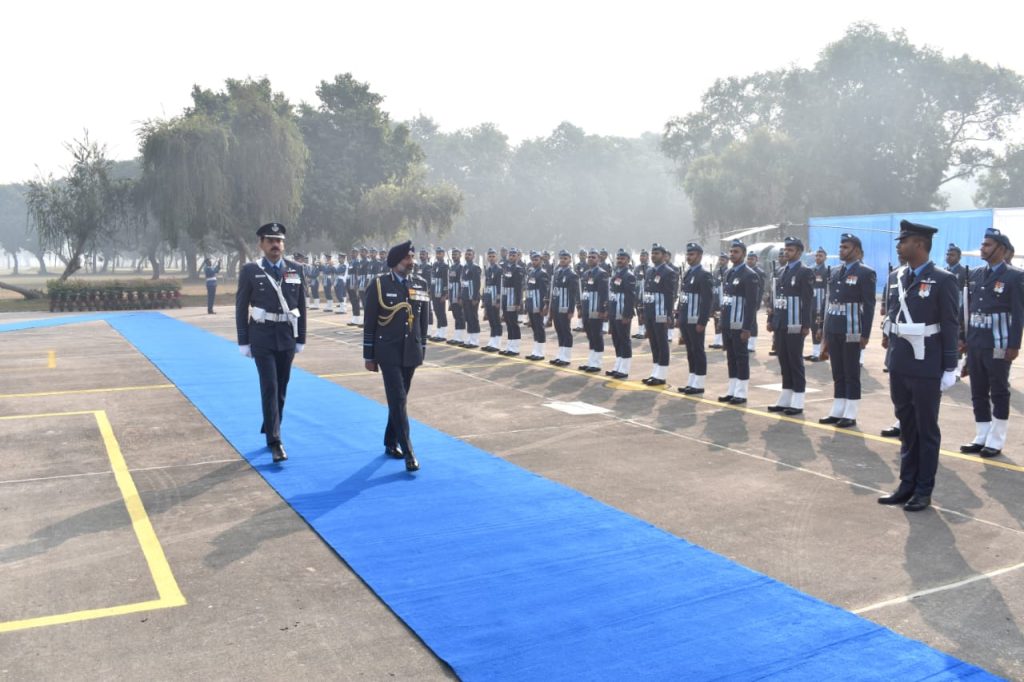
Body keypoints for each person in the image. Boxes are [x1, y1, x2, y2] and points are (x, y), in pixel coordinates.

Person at [878, 220, 959, 512]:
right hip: (899, 363)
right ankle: (906, 484)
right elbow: (891, 314)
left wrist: (950, 366)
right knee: (907, 427)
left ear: (920, 245)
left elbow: (950, 323)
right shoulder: (896, 276)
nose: (899, 245)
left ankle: (924, 490)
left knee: (926, 429)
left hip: (927, 365)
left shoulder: (944, 279)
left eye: (904, 240)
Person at [235, 222, 307, 464]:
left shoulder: (295, 269)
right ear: (261, 244)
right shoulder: (250, 271)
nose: (275, 245)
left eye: (279, 241)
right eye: (270, 241)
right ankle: (275, 440)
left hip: (286, 337)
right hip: (262, 337)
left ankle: (270, 423)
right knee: (270, 387)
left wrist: (301, 338)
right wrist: (243, 341)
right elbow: (240, 307)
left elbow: (301, 306)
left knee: (282, 388)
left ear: (283, 244)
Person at [363, 240, 428, 473]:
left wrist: (423, 347)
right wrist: (368, 355)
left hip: (411, 351)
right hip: (387, 351)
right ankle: (408, 450)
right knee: (398, 399)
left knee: (399, 400)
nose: (411, 262)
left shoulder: (420, 284)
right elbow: (369, 322)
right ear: (395, 261)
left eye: (412, 258)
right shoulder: (379, 285)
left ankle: (390, 442)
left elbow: (423, 320)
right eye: (406, 259)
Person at [959, 228, 1023, 457]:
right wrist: (962, 338)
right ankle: (981, 435)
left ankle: (996, 440)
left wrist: (1014, 345)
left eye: (987, 245)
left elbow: (1018, 313)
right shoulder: (974, 274)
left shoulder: (1015, 277)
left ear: (1002, 250)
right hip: (976, 342)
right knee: (977, 390)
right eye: (982, 244)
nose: (982, 248)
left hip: (999, 343)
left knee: (998, 391)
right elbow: (965, 308)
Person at [818, 234, 877, 428]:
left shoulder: (865, 273)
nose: (841, 250)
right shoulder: (834, 271)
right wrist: (825, 334)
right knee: (838, 371)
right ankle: (838, 409)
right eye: (840, 246)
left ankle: (850, 413)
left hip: (852, 329)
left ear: (857, 251)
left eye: (845, 247)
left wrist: (865, 333)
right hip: (834, 327)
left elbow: (869, 305)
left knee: (851, 371)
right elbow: (828, 304)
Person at [766, 237, 815, 415]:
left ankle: (798, 400)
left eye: (791, 250)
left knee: (795, 361)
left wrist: (806, 324)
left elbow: (808, 301)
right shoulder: (780, 271)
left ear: (799, 252)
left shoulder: (805, 272)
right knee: (783, 361)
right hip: (780, 322)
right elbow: (775, 298)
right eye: (786, 249)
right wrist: (770, 319)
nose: (787, 252)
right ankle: (785, 397)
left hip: (795, 323)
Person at [718, 240, 759, 404]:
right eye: (731, 251)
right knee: (731, 357)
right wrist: (721, 320)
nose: (732, 254)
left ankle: (741, 392)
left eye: (736, 252)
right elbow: (725, 299)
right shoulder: (729, 272)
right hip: (728, 323)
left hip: (739, 323)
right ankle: (732, 389)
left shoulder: (749, 275)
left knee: (741, 357)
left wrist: (747, 328)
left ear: (743, 253)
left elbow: (751, 304)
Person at [676, 242, 713, 394]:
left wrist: (702, 321)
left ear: (699, 256)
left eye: (691, 254)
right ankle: (692, 381)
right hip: (686, 319)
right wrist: (679, 316)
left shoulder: (704, 275)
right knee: (690, 351)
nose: (688, 257)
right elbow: (683, 298)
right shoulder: (688, 273)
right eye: (688, 254)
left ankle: (699, 384)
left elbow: (707, 300)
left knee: (698, 350)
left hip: (695, 320)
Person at [642, 243, 676, 386]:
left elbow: (670, 295)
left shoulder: (668, 272)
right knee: (653, 342)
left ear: (663, 255)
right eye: (653, 253)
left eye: (657, 253)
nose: (653, 255)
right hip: (650, 312)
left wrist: (669, 315)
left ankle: (661, 375)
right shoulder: (649, 271)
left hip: (661, 312)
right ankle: (655, 371)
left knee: (662, 342)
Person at [577, 248, 608, 372]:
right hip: (586, 309)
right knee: (590, 335)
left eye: (593, 257)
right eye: (589, 257)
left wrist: (603, 309)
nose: (590, 259)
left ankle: (597, 363)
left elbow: (603, 293)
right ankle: (591, 361)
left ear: (599, 259)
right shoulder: (586, 273)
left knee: (597, 335)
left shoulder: (601, 273)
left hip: (596, 309)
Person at [607, 248, 636, 378]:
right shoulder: (616, 274)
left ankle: (624, 369)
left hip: (622, 312)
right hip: (614, 311)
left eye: (622, 258)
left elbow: (630, 297)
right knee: (616, 340)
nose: (619, 261)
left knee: (624, 340)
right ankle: (618, 365)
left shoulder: (629, 275)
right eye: (618, 258)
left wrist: (627, 315)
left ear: (628, 261)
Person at [550, 250, 579, 367]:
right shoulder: (557, 272)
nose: (562, 260)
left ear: (570, 260)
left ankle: (566, 357)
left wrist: (571, 310)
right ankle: (560, 354)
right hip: (556, 306)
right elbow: (553, 292)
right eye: (561, 258)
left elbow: (573, 294)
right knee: (559, 331)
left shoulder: (572, 275)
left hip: (565, 306)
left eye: (565, 258)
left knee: (566, 331)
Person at [524, 251, 551, 360]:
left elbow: (544, 291)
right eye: (533, 260)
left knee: (539, 327)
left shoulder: (542, 273)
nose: (534, 262)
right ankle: (535, 350)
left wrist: (544, 305)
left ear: (541, 261)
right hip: (531, 302)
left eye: (536, 260)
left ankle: (540, 352)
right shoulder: (531, 272)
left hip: (538, 303)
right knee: (534, 327)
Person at [499, 248, 525, 356]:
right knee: (508, 323)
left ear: (517, 257)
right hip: (506, 298)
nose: (511, 257)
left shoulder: (518, 269)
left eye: (514, 255)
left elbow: (519, 287)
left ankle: (515, 348)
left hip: (513, 298)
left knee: (513, 323)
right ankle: (509, 346)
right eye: (510, 255)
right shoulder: (506, 268)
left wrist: (518, 302)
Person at [806, 247, 829, 361]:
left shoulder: (827, 271)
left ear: (825, 258)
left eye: (821, 256)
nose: (818, 257)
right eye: (817, 255)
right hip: (812, 305)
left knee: (820, 330)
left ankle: (820, 353)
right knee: (813, 328)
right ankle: (815, 352)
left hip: (821, 305)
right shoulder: (811, 270)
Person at [481, 248, 504, 352]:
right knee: (491, 321)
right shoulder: (488, 269)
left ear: (497, 257)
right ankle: (492, 341)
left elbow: (500, 286)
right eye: (489, 256)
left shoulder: (499, 269)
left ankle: (497, 343)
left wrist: (499, 300)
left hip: (495, 298)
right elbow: (486, 285)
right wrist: (484, 299)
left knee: (496, 321)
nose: (491, 258)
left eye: (493, 256)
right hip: (489, 297)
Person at [460, 248, 482, 348]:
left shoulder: (475, 267)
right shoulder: (464, 267)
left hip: (472, 297)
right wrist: (461, 296)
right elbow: (463, 283)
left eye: (469, 254)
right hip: (465, 296)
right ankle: (469, 338)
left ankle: (475, 340)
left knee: (473, 317)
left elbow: (477, 284)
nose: (467, 256)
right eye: (466, 254)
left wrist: (475, 297)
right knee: (468, 317)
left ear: (474, 256)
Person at [746, 252, 767, 353]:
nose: (750, 261)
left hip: (754, 301)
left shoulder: (759, 272)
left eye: (752, 259)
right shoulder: (746, 271)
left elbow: (761, 289)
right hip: (745, 301)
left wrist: (757, 303)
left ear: (756, 260)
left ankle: (752, 344)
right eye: (749, 259)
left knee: (753, 322)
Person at [709, 253, 729, 349]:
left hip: (724, 301)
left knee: (724, 322)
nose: (721, 262)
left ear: (727, 261)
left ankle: (724, 341)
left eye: (723, 260)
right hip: (716, 300)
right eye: (720, 260)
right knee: (716, 321)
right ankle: (717, 340)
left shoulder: (728, 272)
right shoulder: (715, 272)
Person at [429, 247, 449, 341]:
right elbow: (432, 279)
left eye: (440, 253)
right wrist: (430, 292)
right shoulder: (434, 264)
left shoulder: (445, 266)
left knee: (441, 312)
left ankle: (443, 333)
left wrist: (445, 294)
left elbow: (446, 281)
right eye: (437, 253)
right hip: (434, 292)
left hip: (440, 292)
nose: (438, 255)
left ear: (443, 254)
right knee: (437, 311)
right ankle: (438, 330)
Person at [447, 247, 466, 345]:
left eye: (456, 254)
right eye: (453, 254)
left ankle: (460, 337)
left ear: (460, 255)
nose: (454, 256)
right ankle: (456, 336)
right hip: (452, 295)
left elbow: (462, 283)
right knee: (455, 316)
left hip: (458, 295)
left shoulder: (461, 267)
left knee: (460, 316)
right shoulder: (452, 267)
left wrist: (460, 297)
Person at [633, 249, 652, 339]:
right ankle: (640, 331)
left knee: (644, 314)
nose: (642, 258)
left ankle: (645, 331)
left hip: (646, 295)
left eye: (644, 256)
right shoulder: (637, 268)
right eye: (641, 256)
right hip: (638, 295)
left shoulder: (650, 269)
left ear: (648, 257)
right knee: (639, 313)